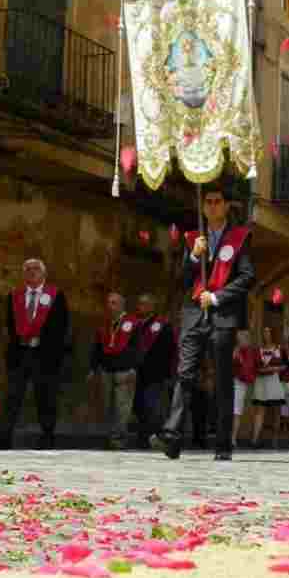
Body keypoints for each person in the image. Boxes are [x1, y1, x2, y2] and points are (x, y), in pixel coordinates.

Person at [156, 182, 255, 461]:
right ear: (202, 206)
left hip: (222, 316)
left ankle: (223, 445)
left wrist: (218, 297)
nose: (211, 205)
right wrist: (192, 256)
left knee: (222, 380)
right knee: (184, 373)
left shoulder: (239, 237)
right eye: (208, 201)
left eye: (217, 201)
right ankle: (172, 437)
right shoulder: (192, 239)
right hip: (193, 314)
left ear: (225, 206)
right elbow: (182, 281)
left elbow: (247, 277)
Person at [0, 257, 70, 449]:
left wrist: (55, 354)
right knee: (12, 395)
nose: (31, 271)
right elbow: (10, 325)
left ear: (44, 273)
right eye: (27, 269)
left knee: (45, 396)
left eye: (35, 268)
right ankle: (4, 437)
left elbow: (62, 327)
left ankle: (47, 436)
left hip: (44, 355)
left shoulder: (56, 295)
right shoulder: (14, 295)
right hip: (19, 353)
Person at [88, 291, 141, 450]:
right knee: (107, 406)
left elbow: (137, 348)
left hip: (125, 372)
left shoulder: (133, 323)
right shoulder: (104, 324)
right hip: (106, 371)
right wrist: (92, 368)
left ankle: (118, 440)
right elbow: (96, 348)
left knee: (122, 407)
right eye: (108, 303)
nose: (109, 306)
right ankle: (110, 436)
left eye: (113, 303)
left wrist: (134, 368)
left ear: (121, 305)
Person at [132, 293, 173, 449]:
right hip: (137, 373)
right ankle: (143, 436)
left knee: (152, 407)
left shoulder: (162, 325)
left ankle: (150, 439)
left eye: (144, 304)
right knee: (138, 406)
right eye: (139, 303)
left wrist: (167, 373)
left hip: (155, 374)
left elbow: (169, 351)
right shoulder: (135, 324)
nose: (140, 306)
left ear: (152, 306)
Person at [250, 326, 285, 448]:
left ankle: (274, 440)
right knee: (259, 411)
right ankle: (255, 439)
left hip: (274, 382)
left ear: (272, 334)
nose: (266, 335)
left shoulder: (279, 348)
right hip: (261, 382)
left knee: (276, 412)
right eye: (264, 332)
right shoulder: (258, 349)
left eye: (268, 332)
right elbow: (254, 365)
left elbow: (285, 367)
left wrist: (275, 368)